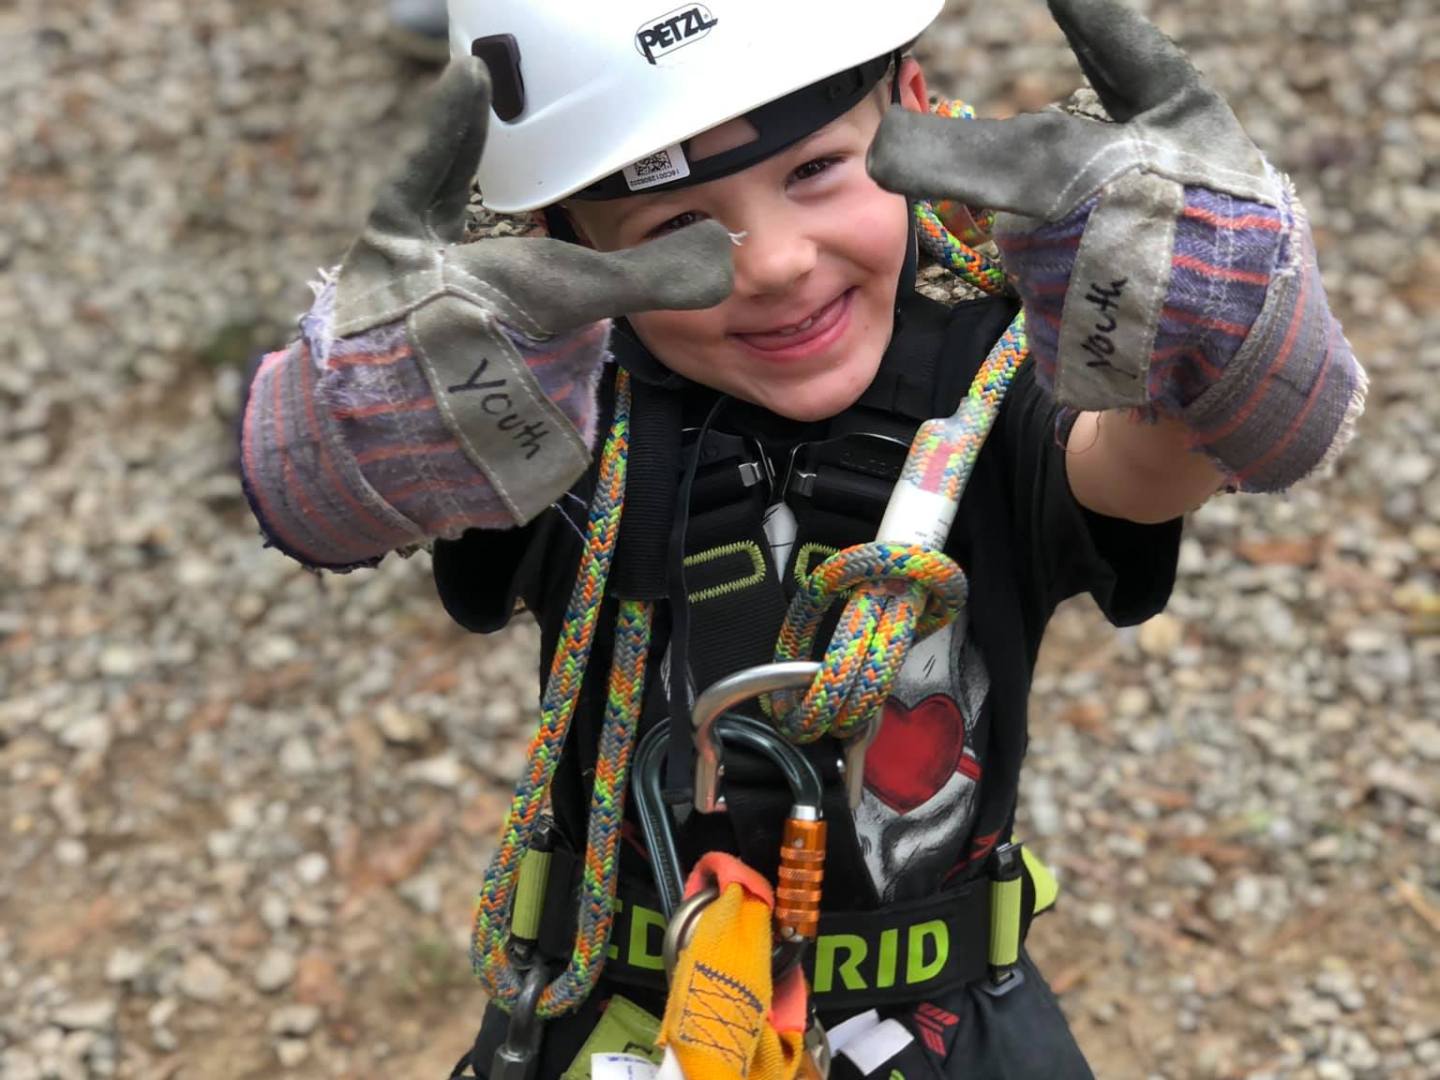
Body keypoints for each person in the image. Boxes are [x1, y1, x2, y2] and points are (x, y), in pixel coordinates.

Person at [238, 0, 1365, 1076]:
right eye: (678, 225)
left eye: (816, 171)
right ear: (558, 242)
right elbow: (377, 504)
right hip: (622, 1001)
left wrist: (1218, 341)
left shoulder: (996, 387)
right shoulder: (553, 430)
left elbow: (1145, 466)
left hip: (935, 1017)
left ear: (912, 109)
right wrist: (357, 433)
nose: (774, 262)